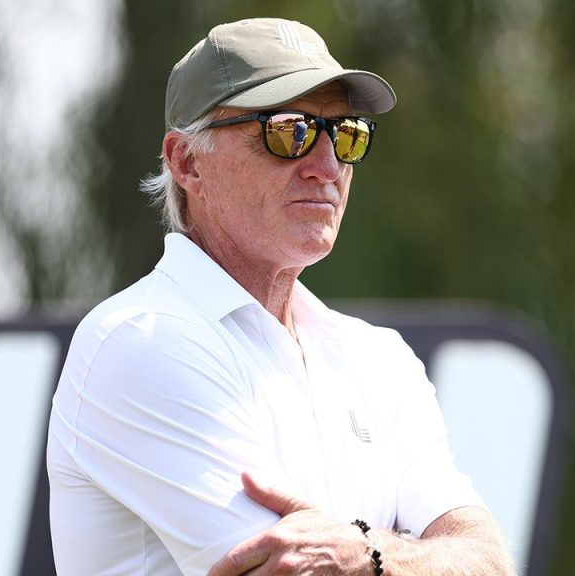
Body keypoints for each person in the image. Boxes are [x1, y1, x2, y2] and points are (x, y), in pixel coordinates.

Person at [47, 17, 516, 576]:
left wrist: (366, 556)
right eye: (288, 131)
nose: (327, 166)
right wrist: (412, 555)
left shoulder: (379, 358)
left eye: (346, 133)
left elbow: (489, 560)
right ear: (187, 162)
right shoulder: (140, 340)